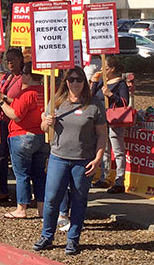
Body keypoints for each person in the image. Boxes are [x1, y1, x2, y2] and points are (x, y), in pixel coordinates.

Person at [34, 66, 107, 255]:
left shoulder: (94, 104)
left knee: (79, 200)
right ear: (66, 82)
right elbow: (43, 127)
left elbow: (101, 134)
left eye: (79, 79)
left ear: (85, 82)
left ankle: (73, 240)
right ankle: (47, 236)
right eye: (71, 79)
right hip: (58, 158)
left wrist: (98, 158)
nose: (75, 83)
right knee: (51, 199)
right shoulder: (57, 101)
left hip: (83, 161)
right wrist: (46, 123)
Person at [0, 62, 48, 219]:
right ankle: (42, 207)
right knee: (39, 174)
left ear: (29, 75)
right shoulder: (46, 91)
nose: (21, 77)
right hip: (42, 136)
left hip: (23, 135)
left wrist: (1, 103)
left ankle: (21, 208)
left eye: (24, 74)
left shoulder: (27, 93)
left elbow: (16, 114)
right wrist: (5, 98)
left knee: (22, 174)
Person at [90, 56, 130, 194]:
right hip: (102, 120)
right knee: (104, 149)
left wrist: (111, 95)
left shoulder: (121, 84)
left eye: (105, 68)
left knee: (118, 150)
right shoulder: (102, 82)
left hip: (115, 120)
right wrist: (95, 82)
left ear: (112, 69)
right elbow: (91, 96)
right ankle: (104, 177)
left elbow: (124, 102)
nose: (102, 71)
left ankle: (120, 180)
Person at [0, 48, 27, 200]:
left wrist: (3, 98)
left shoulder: (24, 79)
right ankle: (3, 188)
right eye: (7, 60)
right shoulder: (8, 77)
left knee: (17, 158)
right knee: (2, 155)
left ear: (20, 59)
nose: (10, 62)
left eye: (13, 59)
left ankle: (24, 193)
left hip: (16, 123)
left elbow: (22, 102)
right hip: (3, 120)